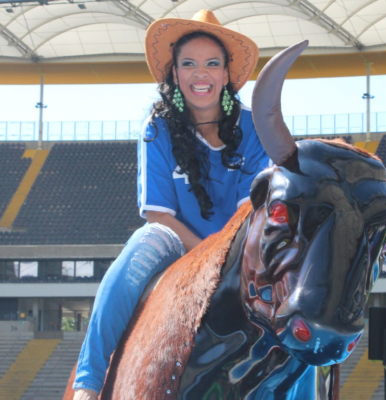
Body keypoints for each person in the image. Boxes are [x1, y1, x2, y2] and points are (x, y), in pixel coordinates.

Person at [73, 10, 268, 400]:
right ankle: (88, 382)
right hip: (175, 240)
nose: (201, 74)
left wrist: (225, 258)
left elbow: (252, 213)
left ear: (227, 74)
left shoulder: (255, 126)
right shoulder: (156, 127)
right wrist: (205, 259)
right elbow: (158, 214)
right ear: (174, 74)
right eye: (189, 64)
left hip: (240, 245)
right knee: (135, 256)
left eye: (213, 64)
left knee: (299, 300)